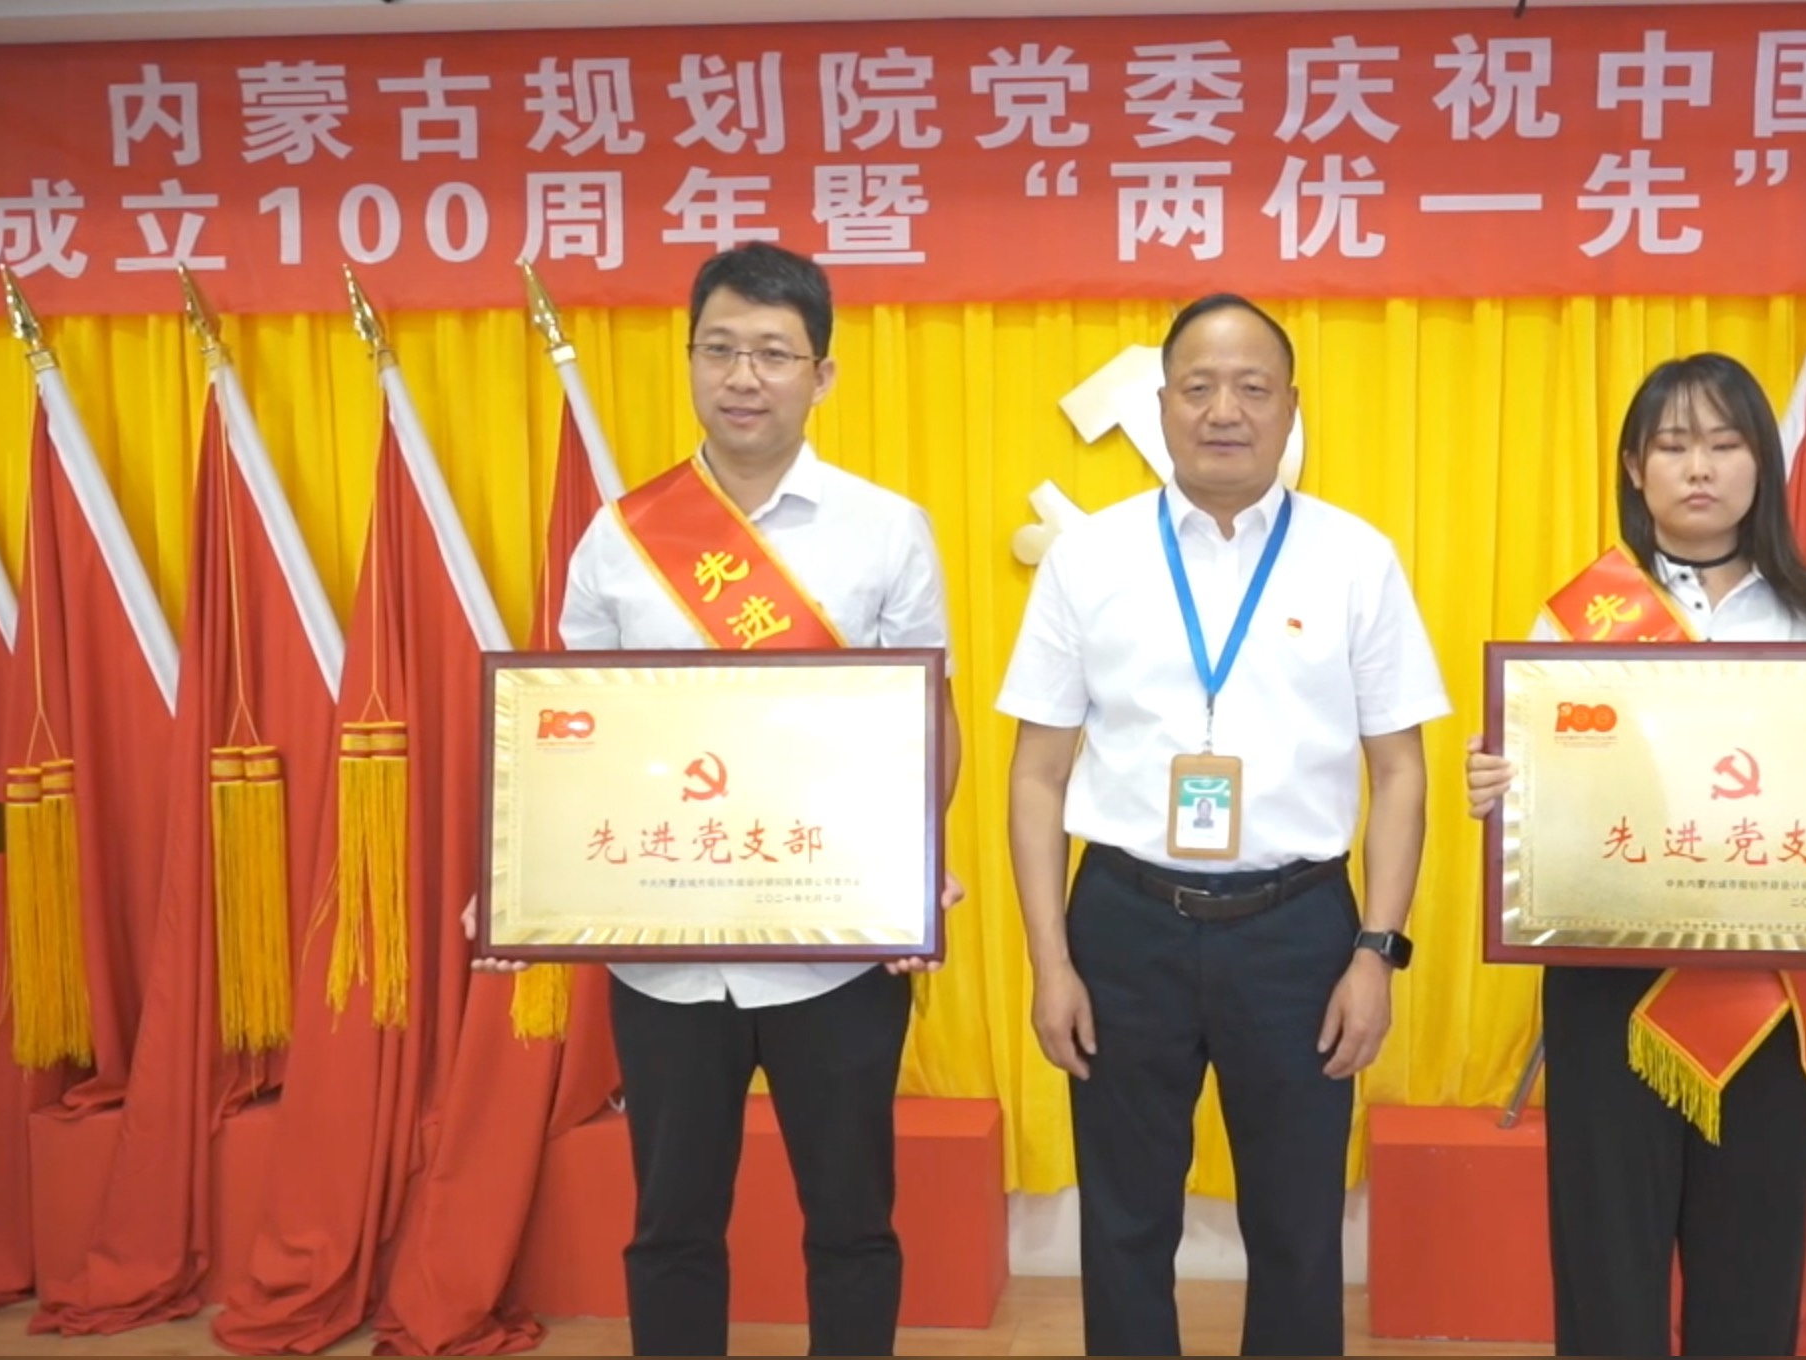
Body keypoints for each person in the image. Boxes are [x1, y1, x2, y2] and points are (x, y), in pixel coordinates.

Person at [1463, 353, 1806, 1357]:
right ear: (1635, 469)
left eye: (1724, 443)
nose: (1699, 467)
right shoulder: (1583, 613)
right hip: (1609, 974)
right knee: (1606, 1257)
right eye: (1673, 446)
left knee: (1752, 1262)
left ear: (1762, 461)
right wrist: (1502, 786)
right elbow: (1553, 786)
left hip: (1768, 982)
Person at [480, 241, 961, 1356]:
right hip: (666, 949)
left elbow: (923, 721)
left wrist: (913, 874)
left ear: (821, 374)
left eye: (774, 354)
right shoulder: (620, 537)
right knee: (672, 1223)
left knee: (851, 1218)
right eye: (721, 349)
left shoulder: (884, 528)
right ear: (690, 360)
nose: (745, 377)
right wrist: (521, 871)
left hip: (835, 944)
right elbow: (572, 733)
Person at [998, 294, 1449, 1355]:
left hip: (1298, 930)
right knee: (1124, 1219)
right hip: (1124, 920)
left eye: (1252, 387)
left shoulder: (1355, 558)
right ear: (1161, 405)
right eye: (1198, 387)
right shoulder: (1089, 558)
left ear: (1291, 406)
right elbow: (1037, 774)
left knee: (1297, 1224)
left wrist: (1375, 951)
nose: (1224, 410)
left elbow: (1400, 771)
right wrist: (1051, 963)